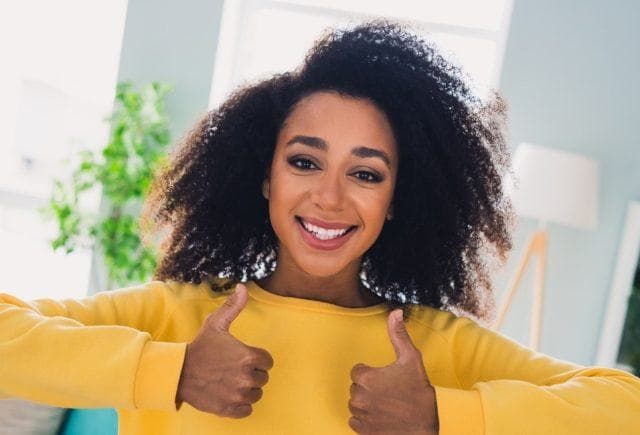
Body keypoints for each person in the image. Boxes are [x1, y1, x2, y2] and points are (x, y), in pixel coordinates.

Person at [1, 20, 639, 435]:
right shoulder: (178, 317)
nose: (329, 197)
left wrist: (442, 415)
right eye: (304, 162)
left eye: (366, 174)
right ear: (264, 178)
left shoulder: (434, 349)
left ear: (396, 201)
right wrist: (170, 372)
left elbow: (625, 407)